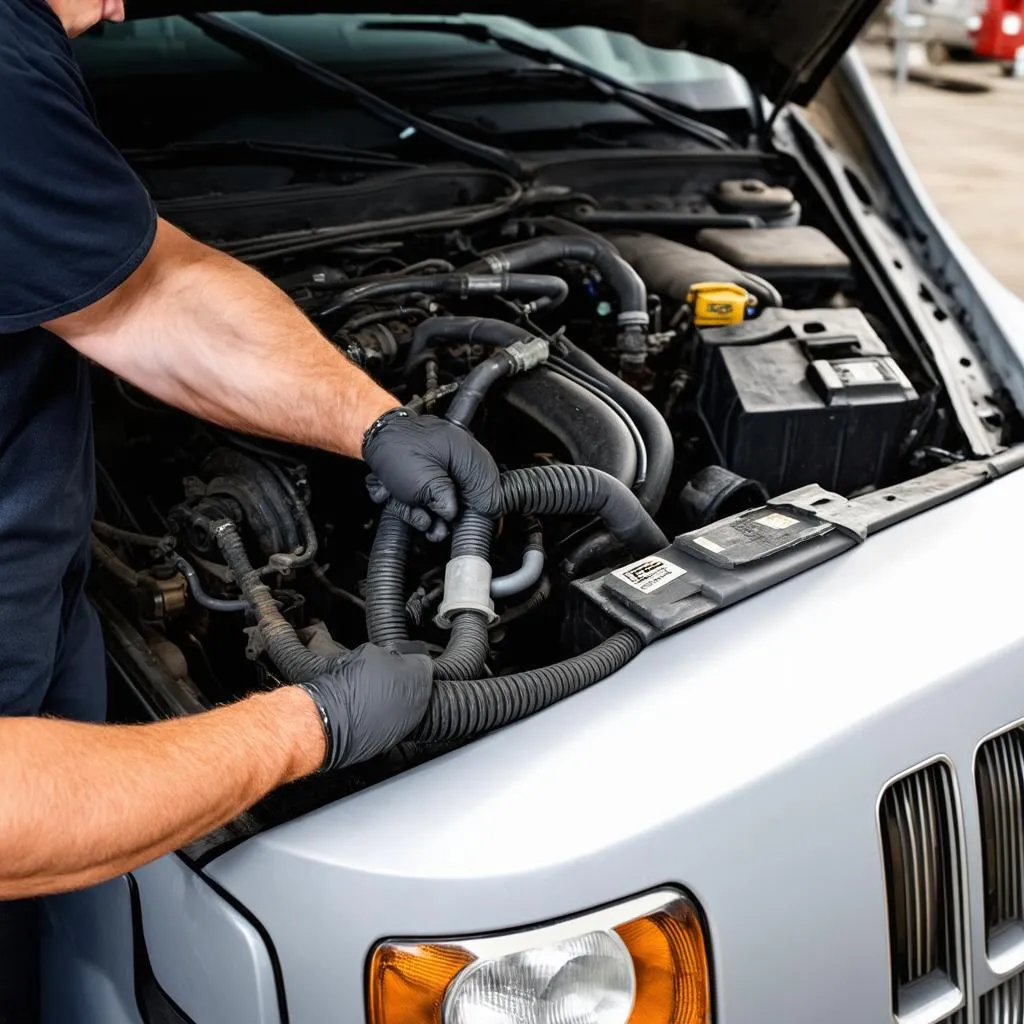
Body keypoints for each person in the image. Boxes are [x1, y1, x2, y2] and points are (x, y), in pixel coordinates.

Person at [0, 0, 502, 1018]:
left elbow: (143, 292)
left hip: (42, 616)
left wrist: (373, 420)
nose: (120, 7)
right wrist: (306, 726)